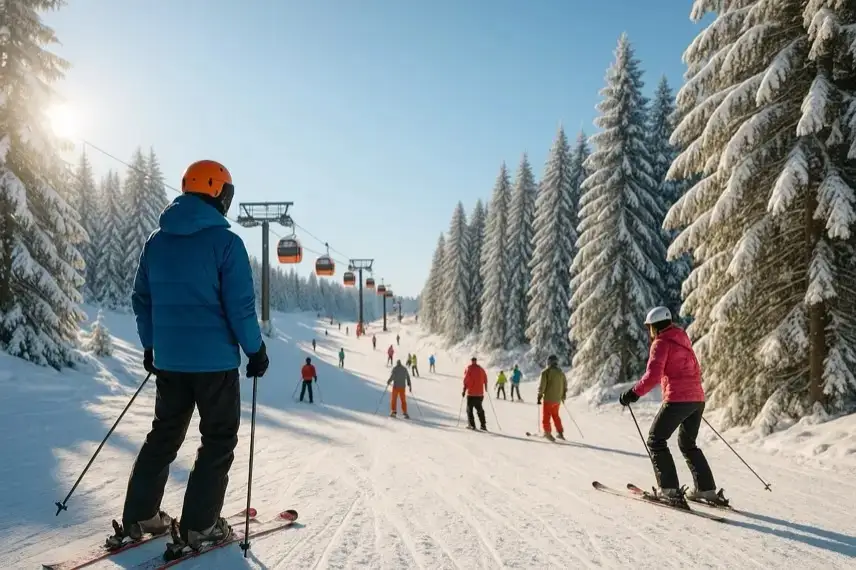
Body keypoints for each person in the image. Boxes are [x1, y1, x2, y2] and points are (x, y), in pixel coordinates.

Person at [109, 160, 269, 560]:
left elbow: (142, 299)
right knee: (217, 440)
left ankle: (140, 517)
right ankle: (200, 526)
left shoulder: (156, 242)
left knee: (163, 435)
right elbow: (240, 306)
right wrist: (255, 350)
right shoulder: (226, 243)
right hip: (214, 365)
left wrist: (151, 345)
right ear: (218, 193)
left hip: (171, 363)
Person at [619, 306, 725, 507]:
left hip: (678, 399)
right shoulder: (682, 340)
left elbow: (652, 376)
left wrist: (633, 393)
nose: (649, 331)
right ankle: (706, 490)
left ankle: (669, 490)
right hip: (697, 399)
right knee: (688, 444)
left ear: (655, 326)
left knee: (656, 441)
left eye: (649, 327)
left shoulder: (661, 343)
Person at [537, 355, 567, 441]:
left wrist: (539, 395)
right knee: (555, 416)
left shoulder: (546, 372)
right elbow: (565, 386)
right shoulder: (561, 373)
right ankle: (560, 432)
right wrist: (563, 396)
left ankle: (547, 433)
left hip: (549, 399)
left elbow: (542, 386)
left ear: (549, 362)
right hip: (557, 400)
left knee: (546, 416)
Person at [462, 357, 488, 431]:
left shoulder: (469, 368)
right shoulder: (481, 369)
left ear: (472, 361)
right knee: (480, 409)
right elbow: (485, 378)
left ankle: (472, 425)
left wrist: (464, 390)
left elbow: (466, 379)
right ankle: (483, 425)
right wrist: (485, 387)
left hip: (471, 394)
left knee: (469, 410)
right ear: (476, 361)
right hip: (480, 394)